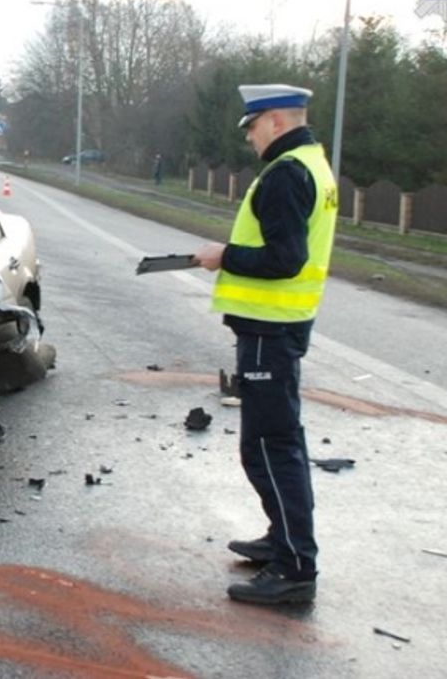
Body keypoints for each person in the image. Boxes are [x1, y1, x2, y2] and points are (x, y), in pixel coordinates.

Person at [193, 83, 338, 605]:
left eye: (252, 126)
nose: (250, 137)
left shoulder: (285, 174)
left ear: (275, 120)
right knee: (280, 442)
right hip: (281, 325)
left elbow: (284, 259)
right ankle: (283, 540)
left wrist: (222, 255)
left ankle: (295, 566)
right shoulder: (312, 164)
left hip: (268, 330)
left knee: (269, 448)